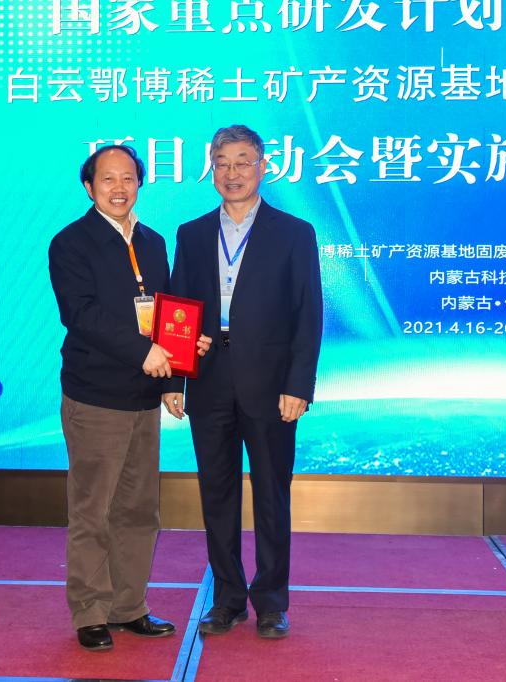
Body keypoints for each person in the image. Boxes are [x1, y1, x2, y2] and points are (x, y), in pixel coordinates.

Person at [163, 124, 323, 639]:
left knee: (272, 493)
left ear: (263, 167)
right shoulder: (191, 234)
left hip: (272, 384)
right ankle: (227, 598)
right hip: (209, 380)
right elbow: (178, 311)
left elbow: (308, 314)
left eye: (242, 161)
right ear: (211, 169)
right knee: (217, 493)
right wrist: (175, 381)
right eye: (222, 163)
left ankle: (272, 602)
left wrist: (299, 385)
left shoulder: (294, 232)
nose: (232, 173)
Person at [48, 145, 210, 651]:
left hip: (144, 398)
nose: (119, 188)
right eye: (107, 179)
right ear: (89, 187)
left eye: (128, 178)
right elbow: (81, 315)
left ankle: (128, 606)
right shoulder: (71, 243)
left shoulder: (153, 242)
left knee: (139, 510)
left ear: (139, 183)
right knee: (93, 511)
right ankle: (90, 611)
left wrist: (175, 374)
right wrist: (145, 352)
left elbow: (168, 314)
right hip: (95, 396)